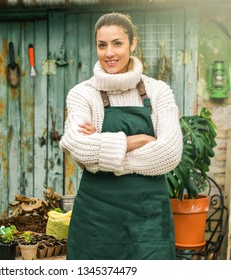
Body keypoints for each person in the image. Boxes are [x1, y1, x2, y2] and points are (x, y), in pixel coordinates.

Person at [59, 12, 183, 260]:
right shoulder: (82, 94)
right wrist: (134, 141)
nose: (109, 53)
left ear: (132, 44)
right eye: (102, 45)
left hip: (149, 214)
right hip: (96, 216)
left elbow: (168, 154)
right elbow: (78, 147)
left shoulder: (159, 92)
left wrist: (104, 155)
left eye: (117, 43)